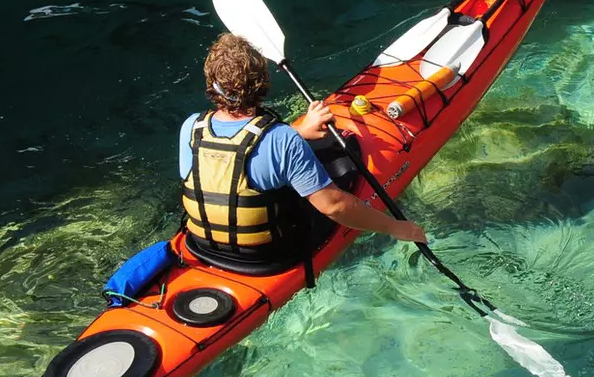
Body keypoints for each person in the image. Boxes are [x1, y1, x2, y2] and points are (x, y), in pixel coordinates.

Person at [179, 33, 424, 274]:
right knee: (342, 160)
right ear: (262, 83)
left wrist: (299, 133)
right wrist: (395, 227)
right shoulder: (282, 139)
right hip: (267, 258)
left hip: (203, 247)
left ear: (211, 84)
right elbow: (334, 207)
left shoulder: (191, 127)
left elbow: (227, 167)